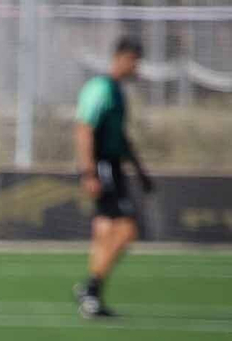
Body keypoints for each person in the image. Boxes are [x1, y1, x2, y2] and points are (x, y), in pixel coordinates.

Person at [74, 36, 151, 320]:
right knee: (127, 231)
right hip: (102, 167)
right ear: (122, 58)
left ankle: (92, 295)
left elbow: (121, 137)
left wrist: (140, 170)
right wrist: (89, 172)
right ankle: (90, 289)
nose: (137, 67)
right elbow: (84, 129)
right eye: (135, 61)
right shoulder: (101, 88)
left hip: (113, 167)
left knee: (105, 232)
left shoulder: (117, 91)